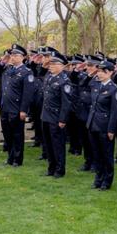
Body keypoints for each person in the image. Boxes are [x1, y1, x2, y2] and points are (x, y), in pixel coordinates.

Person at [0, 43, 35, 166]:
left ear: (22, 57)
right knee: (8, 135)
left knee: (17, 135)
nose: (13, 57)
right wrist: (2, 62)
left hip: (16, 109)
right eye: (12, 55)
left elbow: (27, 94)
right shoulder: (7, 69)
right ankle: (10, 158)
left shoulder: (26, 72)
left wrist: (23, 110)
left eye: (16, 55)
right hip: (5, 107)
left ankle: (17, 159)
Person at [87, 59, 117, 190]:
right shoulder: (95, 85)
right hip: (93, 124)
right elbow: (87, 82)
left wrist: (111, 130)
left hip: (105, 127)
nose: (99, 74)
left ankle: (107, 181)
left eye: (103, 71)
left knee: (106, 155)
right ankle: (98, 178)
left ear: (110, 73)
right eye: (99, 71)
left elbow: (114, 112)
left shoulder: (114, 89)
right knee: (97, 154)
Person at [41, 50, 72, 178]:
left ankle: (60, 169)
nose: (51, 66)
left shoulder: (64, 81)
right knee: (48, 144)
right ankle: (51, 167)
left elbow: (66, 103)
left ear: (61, 65)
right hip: (46, 116)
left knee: (57, 145)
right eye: (50, 64)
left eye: (54, 64)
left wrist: (62, 120)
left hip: (56, 117)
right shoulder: (49, 76)